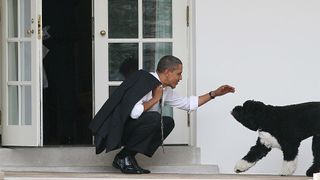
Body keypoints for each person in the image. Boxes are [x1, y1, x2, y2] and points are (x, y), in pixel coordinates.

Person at [89, 55, 235, 174]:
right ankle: (124, 157)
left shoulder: (165, 89)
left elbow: (188, 104)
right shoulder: (144, 81)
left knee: (167, 122)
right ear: (167, 72)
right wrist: (155, 99)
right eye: (178, 73)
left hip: (133, 129)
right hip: (118, 131)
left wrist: (214, 94)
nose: (180, 78)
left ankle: (125, 156)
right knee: (154, 118)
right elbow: (134, 113)